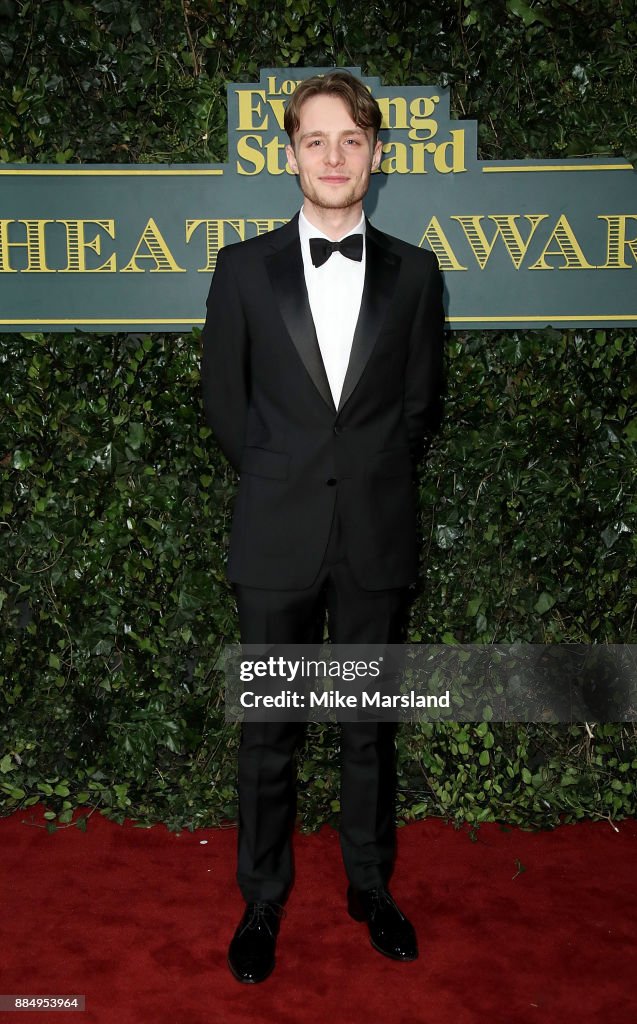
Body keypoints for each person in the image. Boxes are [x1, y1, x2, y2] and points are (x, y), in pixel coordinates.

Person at [201, 70, 444, 984]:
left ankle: (369, 888)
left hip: (375, 535)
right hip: (274, 536)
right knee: (267, 729)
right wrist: (288, 478)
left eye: (351, 141)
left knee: (366, 728)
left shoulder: (417, 275)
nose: (333, 157)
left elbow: (418, 407)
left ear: (375, 156)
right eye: (315, 140)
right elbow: (227, 404)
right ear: (291, 153)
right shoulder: (242, 269)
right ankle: (261, 900)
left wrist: (359, 480)